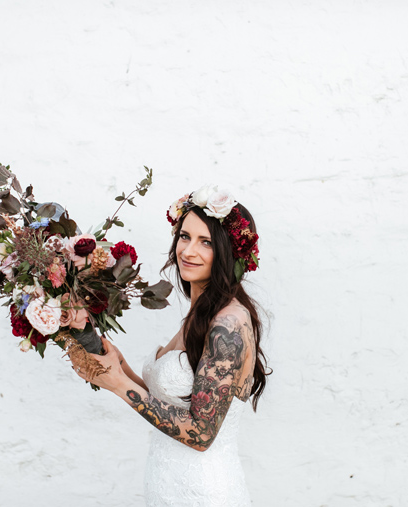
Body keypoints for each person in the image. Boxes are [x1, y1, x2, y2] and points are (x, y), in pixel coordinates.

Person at [73, 185, 270, 507]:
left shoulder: (228, 323)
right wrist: (119, 369)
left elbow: (202, 433)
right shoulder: (200, 316)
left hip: (204, 492)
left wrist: (120, 386)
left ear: (230, 252)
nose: (188, 251)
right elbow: (173, 405)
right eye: (184, 236)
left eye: (205, 242)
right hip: (167, 485)